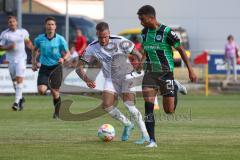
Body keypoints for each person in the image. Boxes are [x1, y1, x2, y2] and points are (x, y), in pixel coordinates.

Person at [76, 22, 150, 144]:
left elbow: (137, 53)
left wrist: (139, 65)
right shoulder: (92, 47)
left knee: (129, 106)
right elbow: (79, 67)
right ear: (97, 34)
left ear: (109, 33)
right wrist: (86, 79)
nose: (103, 40)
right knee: (106, 105)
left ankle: (145, 135)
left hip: (126, 76)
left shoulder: (120, 41)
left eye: (105, 36)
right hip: (110, 78)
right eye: (100, 37)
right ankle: (127, 124)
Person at [137, 5, 197, 147]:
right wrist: (141, 61)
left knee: (169, 111)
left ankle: (174, 86)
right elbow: (146, 47)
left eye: (142, 19)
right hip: (150, 72)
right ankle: (152, 140)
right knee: (148, 106)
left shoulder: (167, 32)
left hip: (166, 72)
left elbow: (181, 49)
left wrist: (191, 70)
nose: (141, 22)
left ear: (151, 18)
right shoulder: (144, 32)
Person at [32, 16, 70, 119]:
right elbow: (35, 50)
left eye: (52, 24)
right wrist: (34, 62)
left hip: (56, 67)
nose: (50, 26)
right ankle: (49, 85)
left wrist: (63, 59)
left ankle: (57, 113)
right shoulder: (40, 39)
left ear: (55, 26)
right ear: (45, 26)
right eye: (48, 24)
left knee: (55, 93)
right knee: (41, 90)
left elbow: (68, 53)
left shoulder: (60, 39)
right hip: (44, 67)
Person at [0, 15, 34, 111]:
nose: (12, 23)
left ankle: (16, 103)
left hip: (21, 59)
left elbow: (28, 42)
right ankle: (21, 98)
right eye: (10, 22)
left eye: (13, 21)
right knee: (14, 82)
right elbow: (0, 47)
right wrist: (8, 47)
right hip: (10, 60)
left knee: (19, 79)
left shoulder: (23, 32)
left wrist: (33, 49)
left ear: (16, 22)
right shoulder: (5, 34)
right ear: (8, 24)